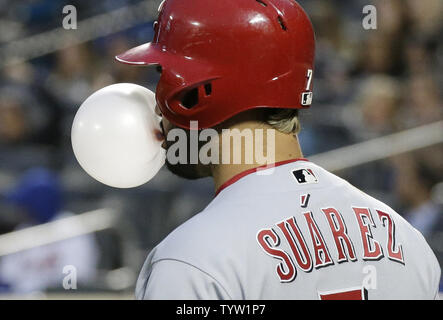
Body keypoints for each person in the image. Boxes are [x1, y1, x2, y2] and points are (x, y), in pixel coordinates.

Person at [116, 0, 440, 299]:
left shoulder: (191, 262)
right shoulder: (405, 238)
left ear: (198, 92)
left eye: (163, 73)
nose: (156, 98)